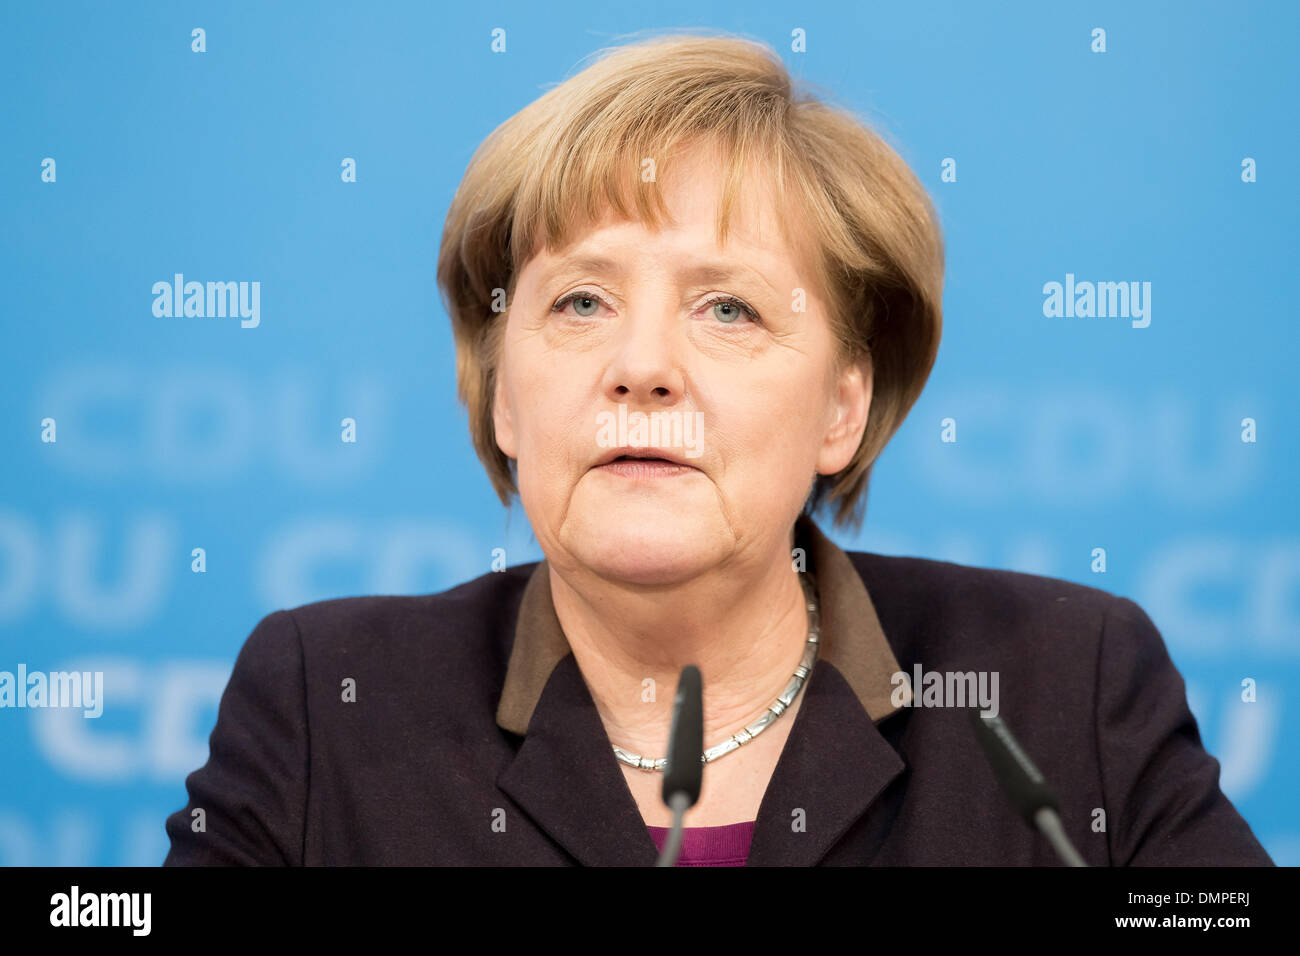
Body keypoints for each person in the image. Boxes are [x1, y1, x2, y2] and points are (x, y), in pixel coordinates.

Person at [164, 32, 1272, 866]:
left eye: (729, 309)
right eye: (583, 301)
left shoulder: (1057, 688)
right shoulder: (329, 701)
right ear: (504, 395)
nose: (641, 366)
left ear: (842, 406)